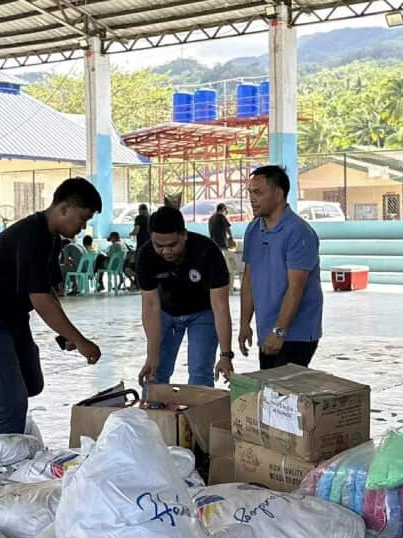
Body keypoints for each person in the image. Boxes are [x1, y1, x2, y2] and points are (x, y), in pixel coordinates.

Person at [0, 177, 103, 432]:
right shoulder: (31, 235)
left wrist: (65, 332)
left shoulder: (51, 239)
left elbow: (47, 291)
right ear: (63, 208)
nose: (83, 226)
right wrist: (80, 341)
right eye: (83, 218)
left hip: (10, 316)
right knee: (11, 405)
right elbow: (39, 299)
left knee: (30, 382)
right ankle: (7, 467)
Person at [135, 207, 235, 387]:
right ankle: (153, 412)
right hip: (165, 313)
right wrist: (151, 355)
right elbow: (150, 306)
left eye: (172, 245)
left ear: (184, 235)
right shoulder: (145, 256)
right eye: (159, 245)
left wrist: (226, 355)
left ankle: (197, 414)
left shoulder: (208, 252)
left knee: (200, 373)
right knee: (155, 372)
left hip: (202, 312)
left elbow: (220, 306)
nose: (166, 251)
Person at [238, 165, 324, 369]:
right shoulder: (253, 229)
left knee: (282, 395)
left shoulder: (299, 232)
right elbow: (248, 279)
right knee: (269, 393)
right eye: (250, 192)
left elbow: (296, 288)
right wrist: (244, 323)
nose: (252, 198)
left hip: (296, 333)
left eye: (258, 192)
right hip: (266, 328)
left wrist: (279, 331)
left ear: (278, 194)